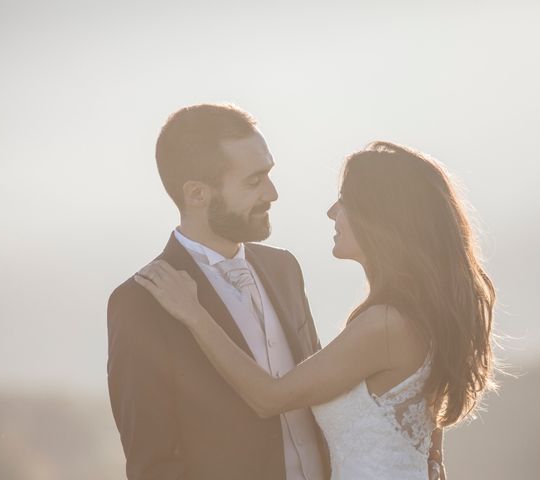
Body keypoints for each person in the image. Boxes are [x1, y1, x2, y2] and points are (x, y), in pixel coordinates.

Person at [136, 141, 496, 479]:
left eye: (344, 201)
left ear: (380, 218)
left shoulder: (384, 324)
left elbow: (269, 397)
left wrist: (195, 314)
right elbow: (427, 442)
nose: (331, 212)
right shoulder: (415, 315)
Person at [107, 104, 330, 479]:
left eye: (269, 175)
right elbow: (153, 461)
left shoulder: (284, 268)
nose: (272, 193)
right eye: (253, 181)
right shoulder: (140, 302)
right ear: (196, 193)